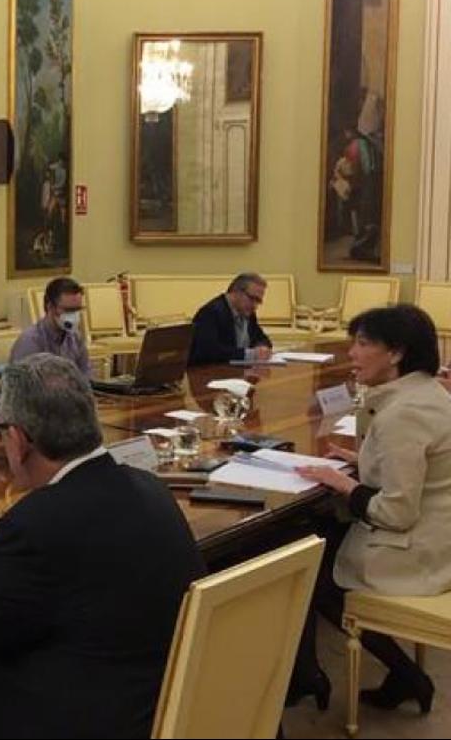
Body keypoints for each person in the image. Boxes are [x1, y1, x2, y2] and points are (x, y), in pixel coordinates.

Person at [0, 354, 205, 738]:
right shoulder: (148, 487)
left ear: (18, 439)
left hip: (74, 721)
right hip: (153, 708)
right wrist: (7, 530)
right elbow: (89, 545)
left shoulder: (37, 525)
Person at [291, 305, 451, 713]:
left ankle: (403, 675)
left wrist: (344, 482)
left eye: (363, 344)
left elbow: (397, 513)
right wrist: (365, 461)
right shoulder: (428, 392)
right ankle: (397, 675)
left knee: (309, 572)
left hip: (414, 548)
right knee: (315, 540)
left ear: (395, 353)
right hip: (437, 532)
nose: (352, 354)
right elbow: (421, 468)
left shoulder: (404, 413)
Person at [9, 276, 91, 377]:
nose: (74, 315)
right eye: (68, 310)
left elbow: (86, 377)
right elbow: (23, 387)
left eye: (77, 309)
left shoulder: (75, 337)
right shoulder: (30, 340)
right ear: (50, 307)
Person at [188, 273, 273, 366]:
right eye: (252, 298)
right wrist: (248, 354)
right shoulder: (211, 312)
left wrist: (262, 347)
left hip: (238, 373)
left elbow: (261, 338)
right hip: (211, 374)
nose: (255, 306)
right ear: (236, 291)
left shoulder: (248, 312)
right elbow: (208, 352)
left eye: (258, 301)